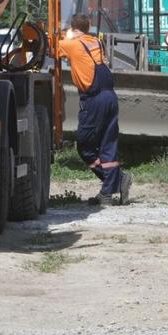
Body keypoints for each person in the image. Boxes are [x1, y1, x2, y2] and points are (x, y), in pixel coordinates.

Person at [58, 13, 131, 205]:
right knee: (108, 144)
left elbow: (53, 49)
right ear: (88, 26)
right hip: (110, 97)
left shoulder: (72, 44)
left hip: (94, 100)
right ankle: (108, 192)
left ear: (73, 28)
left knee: (84, 145)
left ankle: (116, 180)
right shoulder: (95, 42)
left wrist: (65, 35)